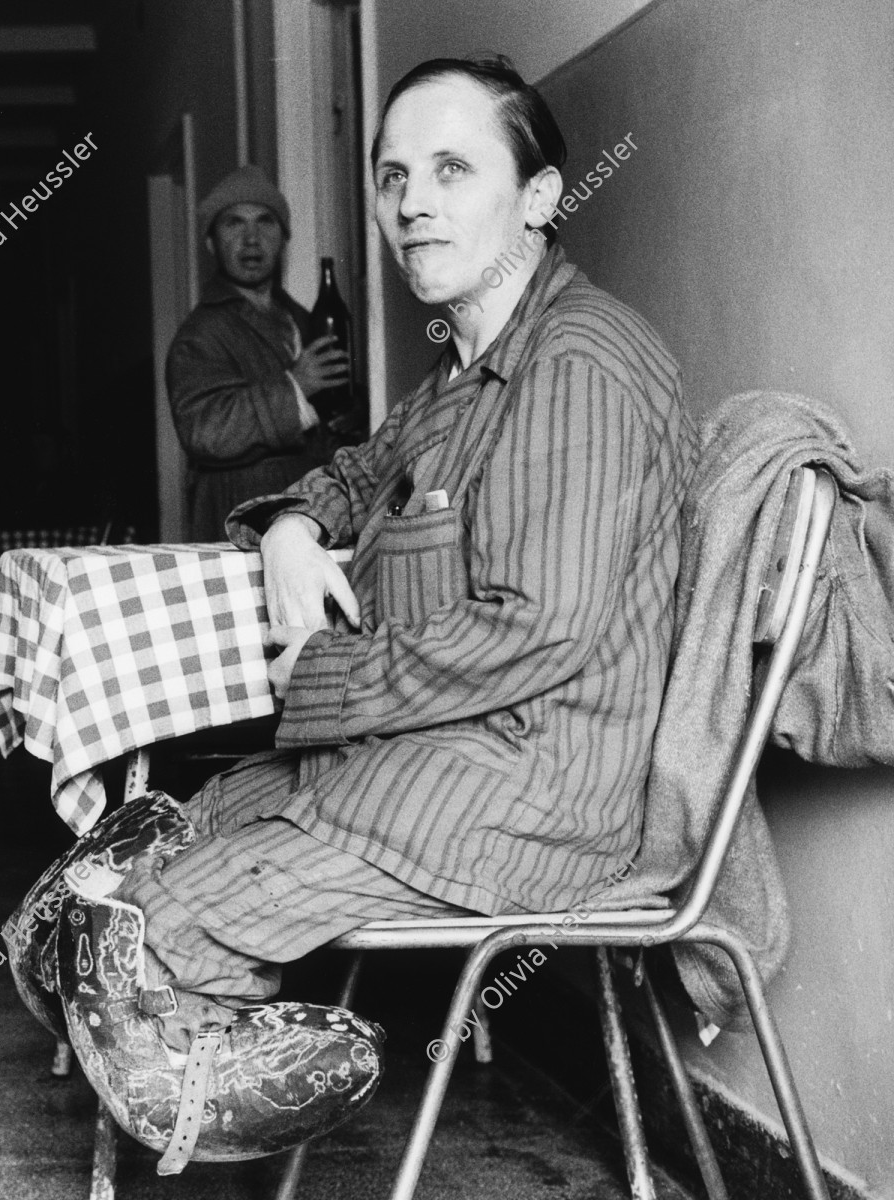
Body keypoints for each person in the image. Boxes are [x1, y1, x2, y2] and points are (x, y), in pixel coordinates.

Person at [59, 54, 696, 1067]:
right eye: (394, 176)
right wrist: (289, 527)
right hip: (439, 754)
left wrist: (322, 674)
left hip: (525, 797)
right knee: (125, 864)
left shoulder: (575, 364)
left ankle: (277, 1090)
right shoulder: (462, 369)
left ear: (538, 196)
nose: (411, 205)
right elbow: (354, 470)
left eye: (452, 171)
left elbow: (533, 628)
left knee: (149, 936)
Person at [166, 165, 352, 539]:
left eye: (265, 222)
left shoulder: (304, 320)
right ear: (210, 242)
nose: (251, 239)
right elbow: (204, 431)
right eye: (233, 223)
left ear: (283, 238)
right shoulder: (200, 334)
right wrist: (295, 387)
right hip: (237, 522)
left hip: (309, 520)